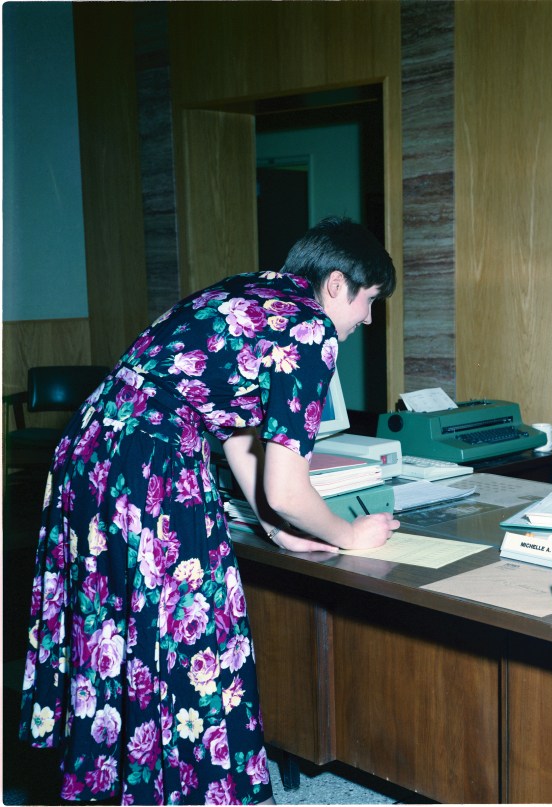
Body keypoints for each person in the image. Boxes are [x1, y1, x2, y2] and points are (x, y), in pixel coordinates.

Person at [19, 216, 400, 804]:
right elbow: (288, 487)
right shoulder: (310, 329)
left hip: (90, 456)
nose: (367, 319)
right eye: (369, 300)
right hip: (149, 469)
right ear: (334, 285)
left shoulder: (250, 291)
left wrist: (276, 532)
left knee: (120, 627)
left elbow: (233, 433)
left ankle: (121, 780)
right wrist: (348, 534)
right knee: (190, 633)